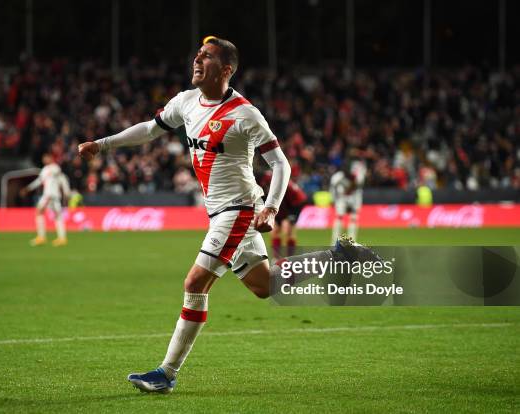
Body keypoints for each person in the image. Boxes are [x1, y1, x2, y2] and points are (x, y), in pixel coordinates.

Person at [78, 36, 377, 394]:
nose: (197, 60)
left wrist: (271, 207)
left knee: (194, 284)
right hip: (221, 212)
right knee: (266, 287)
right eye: (198, 55)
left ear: (226, 69)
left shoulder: (245, 114)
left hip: (238, 210)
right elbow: (149, 130)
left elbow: (280, 163)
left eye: (207, 57)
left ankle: (166, 374)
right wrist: (103, 144)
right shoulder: (186, 102)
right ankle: (338, 258)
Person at [21, 154, 71, 247]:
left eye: (46, 158)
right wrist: (28, 188)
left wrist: (66, 192)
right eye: (43, 158)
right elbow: (39, 181)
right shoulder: (45, 169)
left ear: (51, 158)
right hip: (50, 195)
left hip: (51, 195)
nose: (44, 160)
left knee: (40, 212)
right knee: (56, 216)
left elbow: (61, 179)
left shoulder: (55, 168)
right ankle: (60, 238)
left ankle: (43, 237)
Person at [261, 172, 307, 258]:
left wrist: (290, 216)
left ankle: (290, 258)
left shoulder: (285, 186)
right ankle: (276, 258)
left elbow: (296, 200)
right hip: (280, 206)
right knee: (274, 231)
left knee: (288, 231)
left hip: (294, 206)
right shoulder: (267, 184)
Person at [330, 161, 365, 244]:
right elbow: (332, 189)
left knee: (353, 218)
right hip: (341, 198)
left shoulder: (358, 176)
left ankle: (352, 242)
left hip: (354, 198)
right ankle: (335, 241)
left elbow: (359, 190)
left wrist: (357, 204)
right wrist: (333, 200)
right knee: (339, 217)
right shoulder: (337, 177)